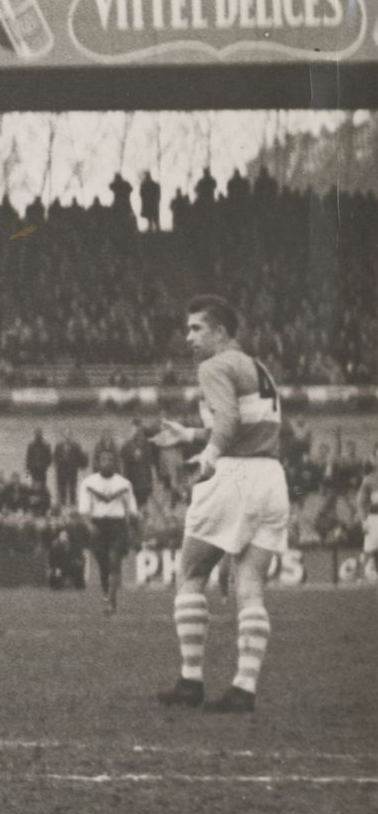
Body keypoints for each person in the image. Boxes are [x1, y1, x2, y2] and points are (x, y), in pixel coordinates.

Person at [150, 295, 288, 714]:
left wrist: (208, 454)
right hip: (271, 479)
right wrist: (190, 435)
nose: (188, 337)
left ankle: (191, 680)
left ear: (221, 332)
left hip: (234, 476)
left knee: (191, 572)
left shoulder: (214, 366)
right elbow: (247, 422)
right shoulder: (256, 368)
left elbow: (227, 423)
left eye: (197, 328)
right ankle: (243, 688)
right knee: (250, 587)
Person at [78, 446, 137, 615]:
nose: (107, 463)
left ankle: (110, 601)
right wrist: (89, 526)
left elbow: (132, 510)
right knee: (104, 566)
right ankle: (109, 597)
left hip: (117, 525)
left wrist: (134, 530)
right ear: (97, 463)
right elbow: (83, 511)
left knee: (114, 561)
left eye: (110, 460)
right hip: (98, 526)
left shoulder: (124, 484)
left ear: (115, 463)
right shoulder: (88, 483)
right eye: (103, 460)